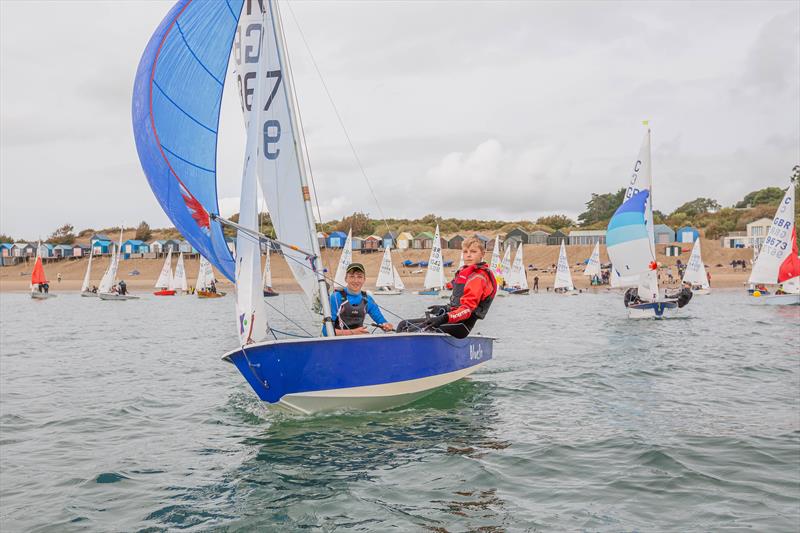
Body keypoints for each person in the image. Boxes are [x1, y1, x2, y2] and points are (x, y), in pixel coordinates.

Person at [396, 236, 497, 339]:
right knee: (404, 324)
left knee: (415, 330)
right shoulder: (465, 273)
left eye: (473, 251)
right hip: (452, 319)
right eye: (465, 252)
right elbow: (457, 304)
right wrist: (443, 309)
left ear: (482, 254)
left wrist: (443, 318)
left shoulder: (478, 277)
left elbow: (467, 310)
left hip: (461, 325)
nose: (469, 255)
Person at [327, 263, 393, 336]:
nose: (356, 281)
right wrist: (353, 332)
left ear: (364, 279)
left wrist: (386, 325)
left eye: (359, 277)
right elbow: (326, 331)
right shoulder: (336, 297)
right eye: (352, 276)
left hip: (358, 342)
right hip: (337, 343)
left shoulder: (367, 299)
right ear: (346, 279)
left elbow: (381, 321)